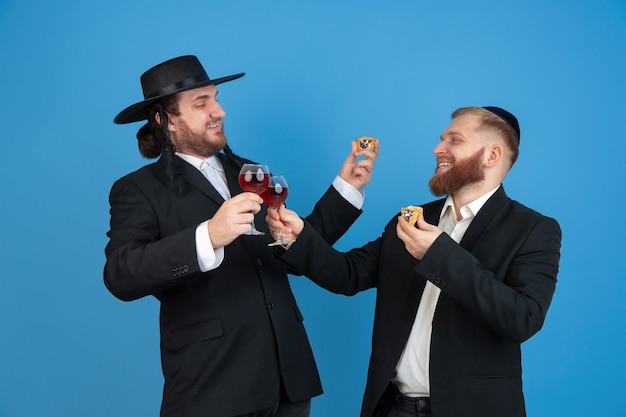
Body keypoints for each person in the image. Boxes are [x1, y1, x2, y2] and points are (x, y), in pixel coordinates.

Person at [103, 55, 379, 417]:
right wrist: (208, 236)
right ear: (165, 119)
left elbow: (294, 248)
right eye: (202, 104)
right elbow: (122, 275)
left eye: (216, 98)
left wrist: (347, 189)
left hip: (289, 380)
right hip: (213, 386)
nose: (219, 111)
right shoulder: (138, 190)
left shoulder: (250, 172)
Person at [266, 106, 562, 417]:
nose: (438, 149)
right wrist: (298, 236)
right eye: (441, 139)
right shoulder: (411, 219)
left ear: (492, 156)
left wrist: (439, 255)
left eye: (455, 140)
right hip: (392, 408)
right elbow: (347, 274)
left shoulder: (533, 230)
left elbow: (523, 318)